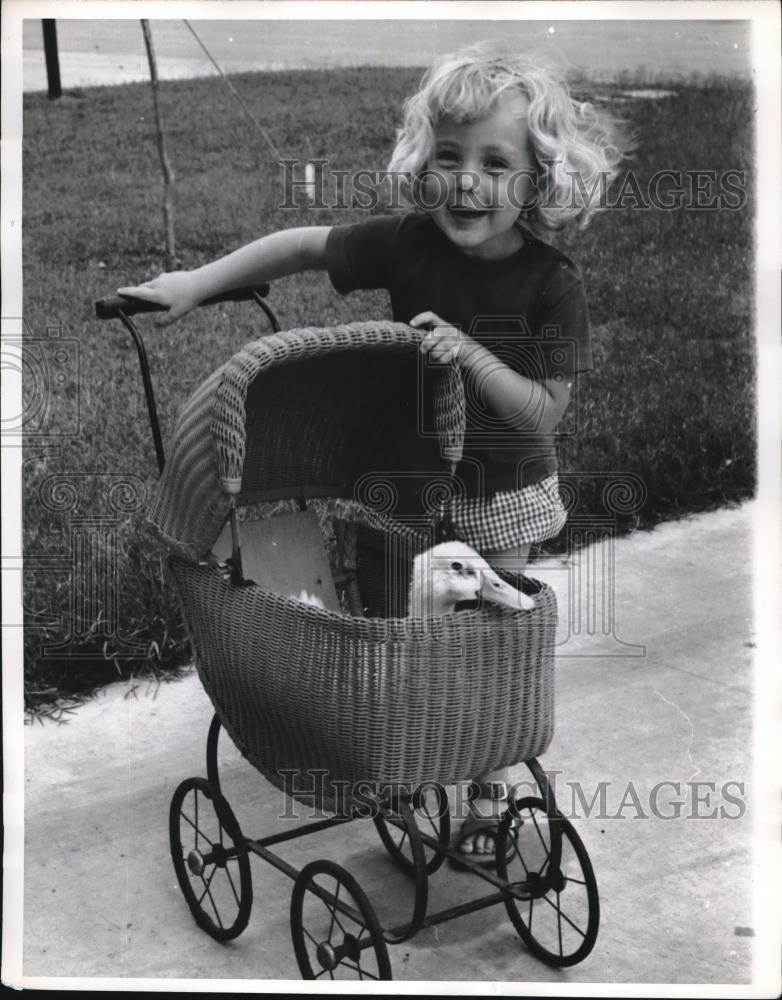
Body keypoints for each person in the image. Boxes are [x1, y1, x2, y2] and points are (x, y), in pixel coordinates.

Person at [119, 41, 625, 865]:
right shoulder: (408, 244)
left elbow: (541, 416)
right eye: (450, 157)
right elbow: (304, 246)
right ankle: (415, 758)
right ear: (424, 162)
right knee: (408, 633)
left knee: (487, 640)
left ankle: (490, 787)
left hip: (502, 491)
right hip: (413, 483)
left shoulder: (550, 286)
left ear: (539, 179)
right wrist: (196, 282)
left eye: (496, 164)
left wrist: (470, 353)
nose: (467, 181)